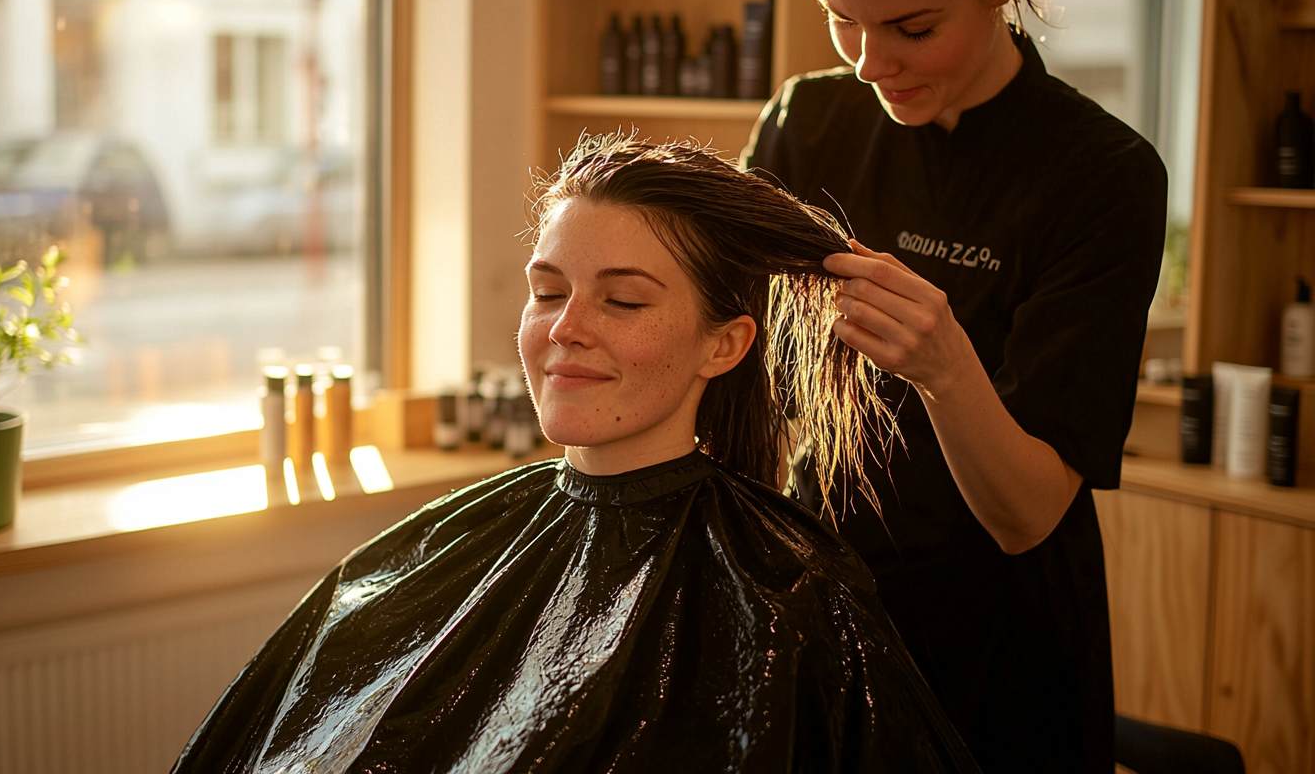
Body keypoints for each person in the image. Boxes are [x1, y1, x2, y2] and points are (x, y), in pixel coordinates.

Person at [170, 136, 981, 774]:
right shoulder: (446, 542)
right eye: (548, 290)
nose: (564, 329)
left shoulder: (791, 596)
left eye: (623, 300)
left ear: (725, 344)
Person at [742, 0, 1168, 772]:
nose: (870, 63)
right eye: (844, 19)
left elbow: (1027, 515)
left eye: (913, 29)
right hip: (820, 606)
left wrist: (944, 368)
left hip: (998, 649)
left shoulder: (1102, 176)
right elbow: (737, 361)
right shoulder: (809, 120)